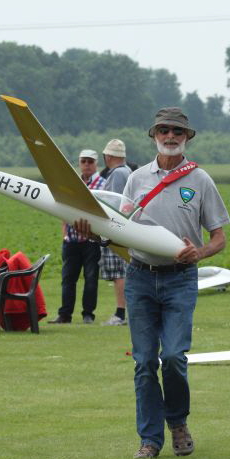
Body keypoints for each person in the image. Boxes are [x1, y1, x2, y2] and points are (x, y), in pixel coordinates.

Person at [122, 107, 229, 459]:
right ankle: (150, 440)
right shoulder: (136, 178)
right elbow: (119, 227)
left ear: (187, 138)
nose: (170, 137)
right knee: (143, 361)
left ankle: (178, 421)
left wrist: (198, 253)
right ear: (154, 134)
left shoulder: (200, 180)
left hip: (180, 280)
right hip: (139, 277)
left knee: (172, 356)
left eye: (177, 133)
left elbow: (218, 238)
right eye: (164, 131)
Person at [50, 150, 104, 324]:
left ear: (96, 164)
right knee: (68, 278)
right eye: (84, 161)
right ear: (80, 163)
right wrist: (64, 233)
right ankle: (65, 314)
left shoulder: (102, 184)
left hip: (92, 240)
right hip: (71, 239)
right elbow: (63, 207)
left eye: (90, 161)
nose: (87, 165)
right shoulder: (73, 183)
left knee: (90, 278)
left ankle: (88, 314)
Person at [99, 138, 132, 326]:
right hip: (123, 230)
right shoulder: (126, 171)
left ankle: (120, 313)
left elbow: (113, 204)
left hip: (116, 230)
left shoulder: (118, 174)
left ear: (108, 156)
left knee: (119, 272)